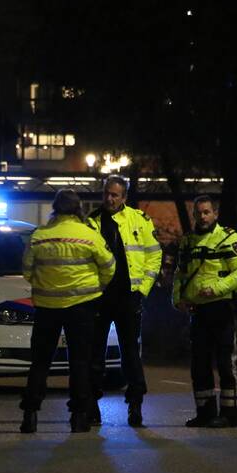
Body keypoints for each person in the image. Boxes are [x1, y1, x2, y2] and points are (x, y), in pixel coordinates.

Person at [19, 189, 116, 433]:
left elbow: (27, 270)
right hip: (82, 306)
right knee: (80, 362)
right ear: (78, 208)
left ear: (55, 207)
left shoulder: (40, 235)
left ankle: (30, 414)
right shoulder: (89, 235)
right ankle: (79, 416)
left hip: (46, 307)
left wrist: (44, 286)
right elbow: (109, 266)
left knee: (40, 362)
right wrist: (99, 287)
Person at [86, 175, 162, 427]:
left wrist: (142, 290)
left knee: (130, 354)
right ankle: (91, 405)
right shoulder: (92, 222)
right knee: (94, 354)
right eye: (107, 193)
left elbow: (154, 256)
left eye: (115, 195)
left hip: (129, 297)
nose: (109, 198)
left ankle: (135, 404)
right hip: (99, 297)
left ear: (124, 197)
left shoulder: (138, 220)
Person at [173, 195, 237, 428]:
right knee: (199, 364)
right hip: (198, 311)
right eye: (198, 213)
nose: (202, 217)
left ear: (215, 214)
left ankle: (230, 413)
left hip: (221, 308)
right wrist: (177, 299)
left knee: (226, 362)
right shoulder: (187, 241)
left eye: (207, 212)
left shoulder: (228, 239)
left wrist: (216, 289)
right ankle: (205, 412)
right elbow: (180, 274)